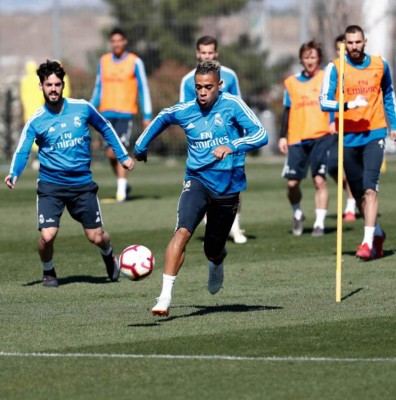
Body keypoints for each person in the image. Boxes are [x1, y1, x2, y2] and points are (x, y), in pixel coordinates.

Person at [135, 60, 268, 316]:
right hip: (196, 180)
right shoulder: (187, 110)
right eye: (198, 87)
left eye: (208, 87)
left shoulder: (233, 105)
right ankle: (164, 298)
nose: (203, 93)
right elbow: (163, 117)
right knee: (182, 232)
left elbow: (261, 134)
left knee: (212, 249)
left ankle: (217, 261)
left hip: (227, 186)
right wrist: (141, 147)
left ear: (219, 85)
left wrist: (233, 145)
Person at [4, 60, 134, 287]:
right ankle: (49, 272)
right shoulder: (36, 120)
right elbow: (23, 148)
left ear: (63, 85)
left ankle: (109, 254)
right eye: (48, 85)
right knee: (47, 235)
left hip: (82, 185)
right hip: (50, 185)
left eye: (57, 84)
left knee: (96, 237)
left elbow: (105, 127)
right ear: (41, 87)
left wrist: (122, 156)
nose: (53, 89)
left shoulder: (82, 108)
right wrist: (14, 172)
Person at [320, 24, 396, 260]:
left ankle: (366, 243)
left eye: (357, 42)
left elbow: (389, 94)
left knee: (370, 189)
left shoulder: (380, 64)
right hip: (348, 137)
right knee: (359, 194)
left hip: (374, 134)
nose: (353, 46)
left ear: (365, 42)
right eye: (349, 43)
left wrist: (393, 125)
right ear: (344, 44)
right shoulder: (335, 68)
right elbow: (323, 102)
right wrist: (348, 106)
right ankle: (378, 234)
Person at [179, 35, 246, 244]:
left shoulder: (230, 76)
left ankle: (235, 227)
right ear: (197, 53)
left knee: (233, 184)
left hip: (230, 141)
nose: (206, 55)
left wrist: (240, 141)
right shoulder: (188, 80)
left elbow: (240, 106)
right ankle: (212, 226)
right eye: (203, 52)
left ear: (216, 53)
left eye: (210, 52)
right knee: (205, 183)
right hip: (204, 142)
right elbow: (183, 112)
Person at [90, 27, 152, 202]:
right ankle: (122, 182)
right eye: (113, 41)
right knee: (110, 153)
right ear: (111, 43)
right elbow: (98, 88)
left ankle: (121, 192)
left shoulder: (135, 62)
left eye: (120, 40)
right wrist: (89, 109)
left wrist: (147, 114)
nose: (117, 44)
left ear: (125, 42)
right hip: (105, 114)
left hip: (125, 114)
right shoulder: (103, 61)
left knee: (120, 150)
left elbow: (143, 88)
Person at [279, 40, 332, 237]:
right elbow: (287, 110)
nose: (310, 60)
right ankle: (298, 213)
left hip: (321, 135)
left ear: (319, 58)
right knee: (292, 183)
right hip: (296, 138)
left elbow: (334, 103)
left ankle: (319, 222)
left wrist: (334, 123)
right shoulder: (291, 82)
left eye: (313, 57)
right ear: (301, 59)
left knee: (319, 180)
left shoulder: (326, 78)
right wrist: (283, 136)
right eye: (306, 57)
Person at [327, 34, 357, 222]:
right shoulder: (333, 69)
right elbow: (329, 99)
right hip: (336, 124)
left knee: (352, 166)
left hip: (355, 124)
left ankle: (351, 205)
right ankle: (352, 194)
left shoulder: (358, 70)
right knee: (332, 166)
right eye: (339, 48)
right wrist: (331, 120)